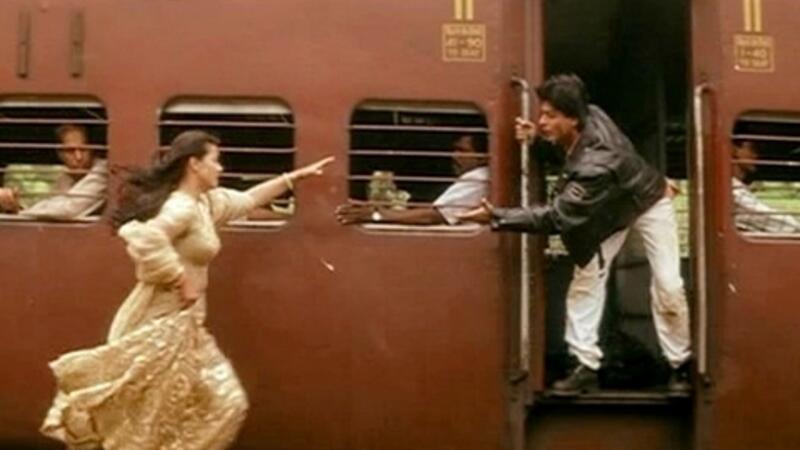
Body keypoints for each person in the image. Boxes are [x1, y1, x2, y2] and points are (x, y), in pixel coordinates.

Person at [40, 130, 333, 449]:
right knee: (153, 422)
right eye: (215, 161)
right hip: (155, 324)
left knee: (223, 404)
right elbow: (144, 237)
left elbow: (248, 200)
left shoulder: (205, 204)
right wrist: (179, 278)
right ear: (195, 164)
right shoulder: (181, 207)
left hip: (187, 326)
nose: (220, 168)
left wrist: (293, 178)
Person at [460, 74, 691, 394]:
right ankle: (585, 365)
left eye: (550, 116)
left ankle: (680, 364)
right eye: (542, 113)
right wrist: (538, 139)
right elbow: (571, 152)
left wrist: (496, 215)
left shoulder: (597, 163)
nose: (541, 120)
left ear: (573, 119)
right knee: (587, 281)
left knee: (669, 285)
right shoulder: (591, 114)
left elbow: (558, 216)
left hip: (647, 202)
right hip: (609, 210)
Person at [335, 134, 489, 225]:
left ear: (483, 157)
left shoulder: (479, 177)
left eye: (462, 151)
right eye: (454, 150)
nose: (454, 156)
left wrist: (375, 215)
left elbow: (435, 216)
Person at [0, 124, 108, 219]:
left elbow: (68, 209)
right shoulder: (66, 178)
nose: (78, 157)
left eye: (83, 149)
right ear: (60, 154)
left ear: (92, 149)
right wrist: (17, 208)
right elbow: (52, 205)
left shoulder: (104, 171)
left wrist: (21, 214)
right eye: (70, 151)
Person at [731, 140, 800, 233]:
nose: (757, 155)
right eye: (753, 149)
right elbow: (771, 220)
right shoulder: (732, 191)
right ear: (733, 149)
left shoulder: (737, 188)